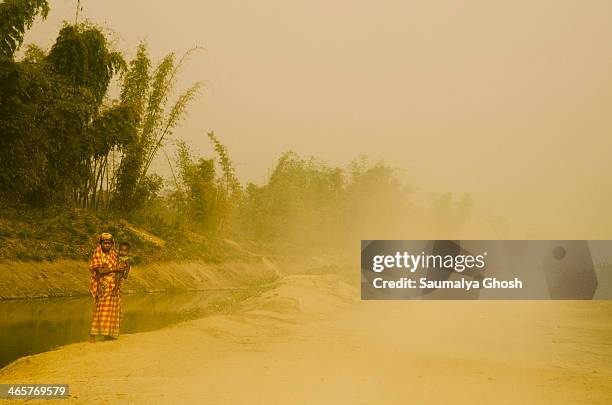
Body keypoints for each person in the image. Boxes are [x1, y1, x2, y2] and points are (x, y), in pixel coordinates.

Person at [88, 232, 127, 342]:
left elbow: (121, 269)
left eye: (109, 243)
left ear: (112, 244)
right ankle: (93, 335)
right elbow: (100, 271)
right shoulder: (97, 254)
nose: (107, 245)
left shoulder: (114, 255)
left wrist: (121, 271)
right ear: (100, 243)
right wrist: (114, 269)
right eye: (105, 243)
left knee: (112, 310)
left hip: (114, 285)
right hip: (102, 286)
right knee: (100, 309)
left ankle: (108, 334)